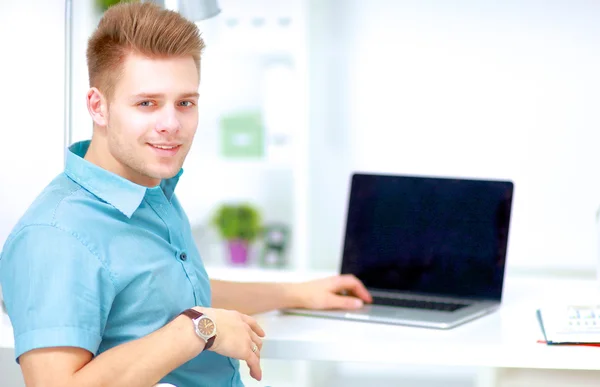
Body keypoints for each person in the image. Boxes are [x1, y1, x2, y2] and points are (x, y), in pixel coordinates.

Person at [0, 3, 372, 387]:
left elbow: (170, 297)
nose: (171, 125)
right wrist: (198, 329)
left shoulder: (149, 188)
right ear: (98, 106)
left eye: (185, 103)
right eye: (147, 103)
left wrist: (297, 295)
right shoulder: (55, 235)